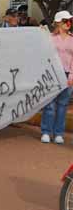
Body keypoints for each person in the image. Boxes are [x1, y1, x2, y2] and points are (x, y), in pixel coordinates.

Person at [40, 11, 73, 144]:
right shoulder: (49, 38)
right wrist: (40, 33)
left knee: (62, 105)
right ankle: (46, 132)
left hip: (67, 75)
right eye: (66, 20)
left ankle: (58, 133)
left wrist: (72, 75)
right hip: (52, 74)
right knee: (49, 105)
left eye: (70, 20)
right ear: (58, 23)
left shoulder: (72, 39)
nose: (69, 23)